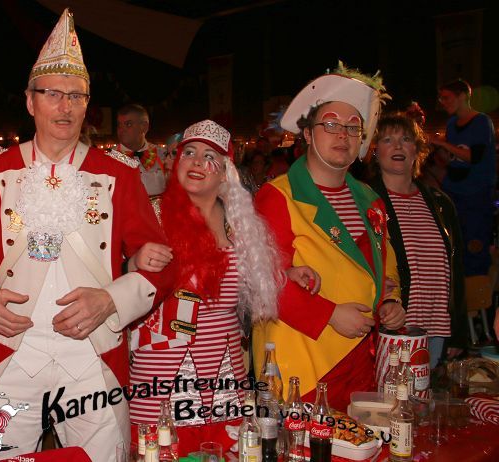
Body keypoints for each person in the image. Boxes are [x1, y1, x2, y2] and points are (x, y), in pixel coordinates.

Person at [0, 9, 175, 461]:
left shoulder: (119, 174)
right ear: (30, 101)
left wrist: (111, 301)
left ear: (87, 104)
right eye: (53, 94)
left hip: (93, 357)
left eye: (76, 96)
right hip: (12, 353)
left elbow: (160, 265)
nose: (65, 106)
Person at [128, 120, 315, 454]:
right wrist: (133, 262)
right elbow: (116, 277)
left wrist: (286, 272)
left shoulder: (239, 224)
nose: (197, 162)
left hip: (226, 374)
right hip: (161, 376)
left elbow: (254, 282)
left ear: (225, 172)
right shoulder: (152, 214)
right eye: (189, 152)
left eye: (209, 156)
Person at [253, 63, 405, 411]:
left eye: (353, 127)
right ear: (307, 134)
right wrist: (329, 315)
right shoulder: (278, 196)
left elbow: (385, 265)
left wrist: (390, 300)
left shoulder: (371, 199)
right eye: (331, 124)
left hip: (361, 360)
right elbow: (264, 282)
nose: (343, 135)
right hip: (302, 363)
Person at [370, 113, 467, 368]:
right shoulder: (366, 200)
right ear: (375, 151)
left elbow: (456, 269)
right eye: (388, 140)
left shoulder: (440, 203)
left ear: (417, 150)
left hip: (437, 327)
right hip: (392, 325)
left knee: (428, 390)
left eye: (406, 139)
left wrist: (458, 330)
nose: (398, 146)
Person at [430, 79, 496, 278]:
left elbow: (473, 156)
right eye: (441, 98)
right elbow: (452, 158)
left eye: (447, 98)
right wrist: (436, 151)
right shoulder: (452, 124)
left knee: (474, 243)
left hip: (476, 194)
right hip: (454, 190)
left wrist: (443, 143)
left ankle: (477, 287)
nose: (443, 102)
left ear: (463, 96)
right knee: (454, 240)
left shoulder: (482, 122)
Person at [115, 104, 166, 196]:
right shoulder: (107, 158)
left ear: (144, 127)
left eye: (128, 124)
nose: (122, 129)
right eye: (119, 125)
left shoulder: (164, 156)